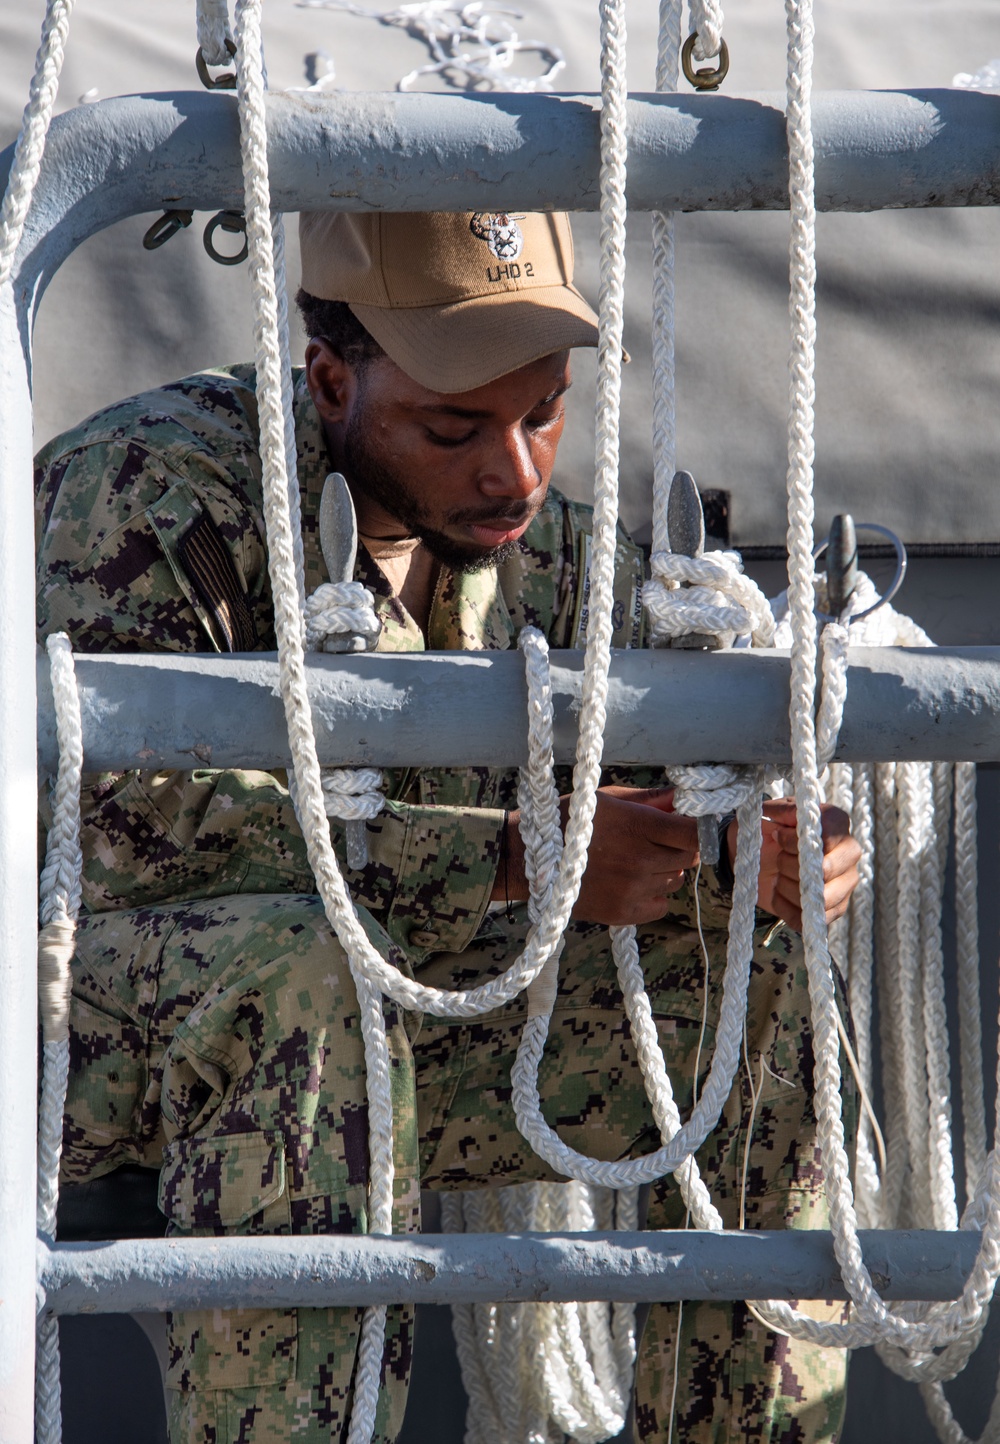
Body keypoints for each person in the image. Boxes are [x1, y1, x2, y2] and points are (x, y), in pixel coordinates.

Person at [35, 208, 861, 1444]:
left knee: (756, 971)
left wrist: (764, 840)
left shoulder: (534, 547)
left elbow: (684, 760)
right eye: (455, 427)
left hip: (361, 1049)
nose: (515, 473)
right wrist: (520, 860)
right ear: (329, 381)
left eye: (543, 415)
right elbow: (119, 831)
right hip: (73, 1040)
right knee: (300, 976)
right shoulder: (148, 492)